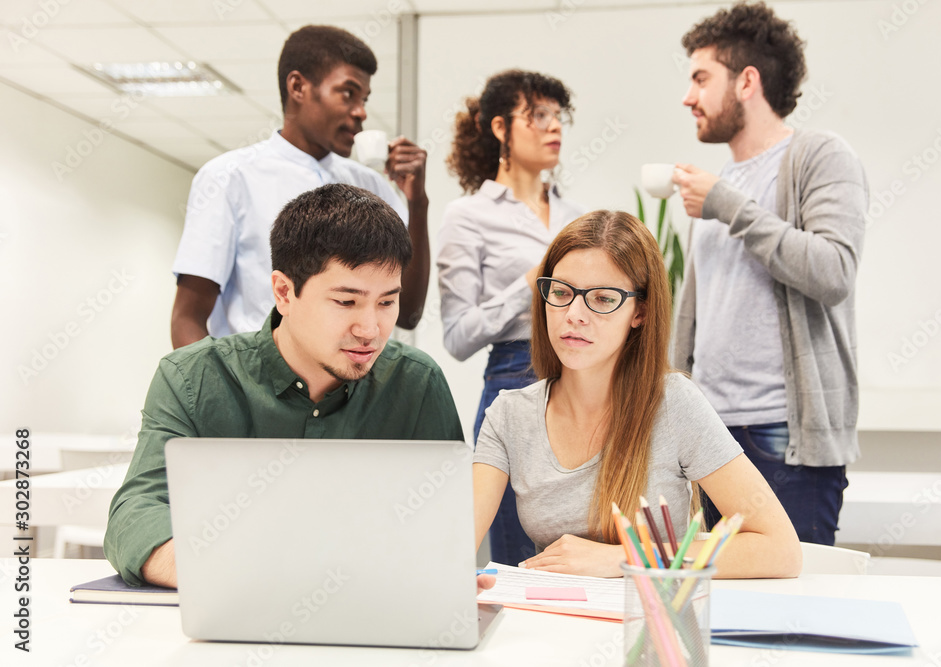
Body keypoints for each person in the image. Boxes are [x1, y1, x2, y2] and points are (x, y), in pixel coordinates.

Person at [106, 184, 470, 590]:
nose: (370, 330)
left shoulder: (417, 383)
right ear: (284, 292)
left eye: (386, 302)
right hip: (235, 611)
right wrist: (238, 572)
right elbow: (135, 515)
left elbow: (447, 523)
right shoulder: (193, 378)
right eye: (346, 302)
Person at [472, 210, 801, 578]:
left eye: (602, 298)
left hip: (655, 623)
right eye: (561, 292)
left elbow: (781, 548)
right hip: (559, 626)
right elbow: (453, 546)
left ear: (640, 312)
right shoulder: (508, 415)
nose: (574, 314)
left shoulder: (674, 402)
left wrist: (623, 558)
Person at [670, 2, 869, 545]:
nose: (688, 97)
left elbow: (832, 271)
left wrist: (728, 205)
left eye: (701, 78)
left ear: (747, 81)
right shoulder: (717, 188)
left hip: (784, 438)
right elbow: (692, 315)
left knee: (788, 617)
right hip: (711, 435)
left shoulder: (819, 156)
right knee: (720, 613)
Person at [170, 25, 430, 347]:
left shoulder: (371, 185)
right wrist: (218, 394)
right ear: (298, 87)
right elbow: (188, 318)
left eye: (364, 98)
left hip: (355, 389)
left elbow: (409, 315)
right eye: (348, 93)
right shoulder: (229, 177)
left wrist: (418, 204)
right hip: (257, 385)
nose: (361, 111)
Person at [438, 70, 585, 567]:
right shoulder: (467, 216)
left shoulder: (578, 218)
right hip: (514, 384)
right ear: (500, 127)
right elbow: (457, 336)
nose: (554, 127)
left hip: (589, 386)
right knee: (515, 562)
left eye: (557, 116)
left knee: (586, 551)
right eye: (538, 115)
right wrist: (531, 284)